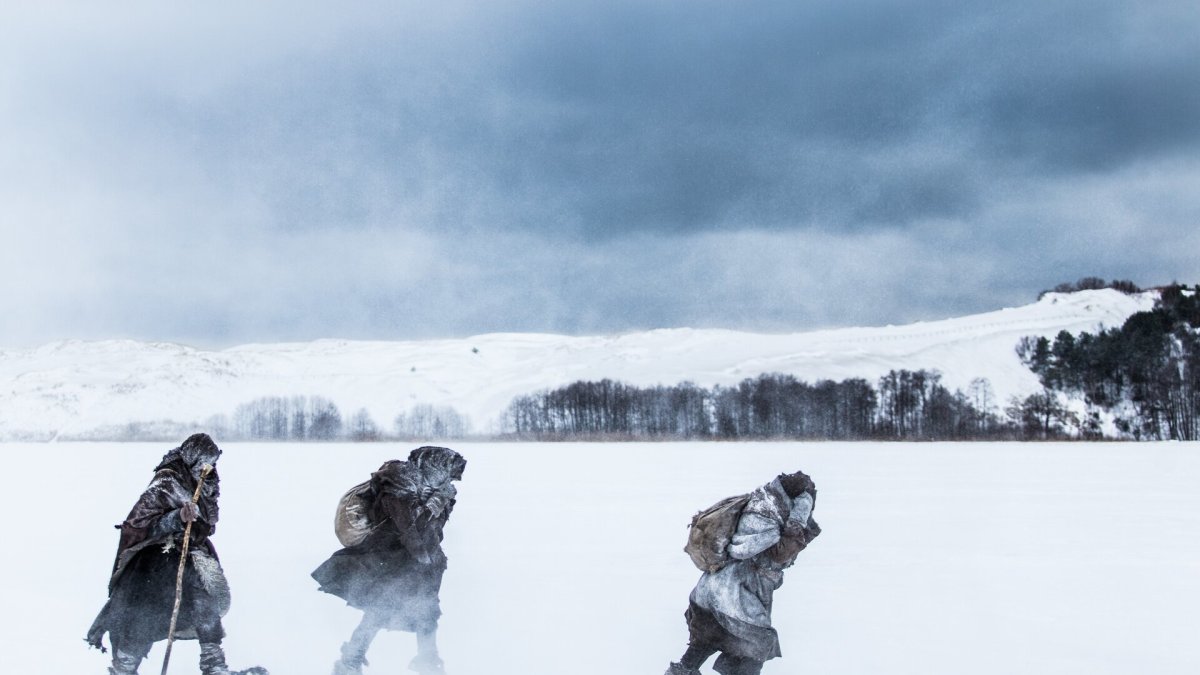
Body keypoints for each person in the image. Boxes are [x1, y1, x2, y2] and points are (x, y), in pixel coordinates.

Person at [86, 433, 265, 675]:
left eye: (211, 463)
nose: (207, 468)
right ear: (192, 457)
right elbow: (138, 524)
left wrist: (197, 519)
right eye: (203, 461)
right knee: (141, 613)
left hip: (190, 558)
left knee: (204, 603)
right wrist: (177, 518)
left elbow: (207, 523)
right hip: (154, 562)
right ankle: (123, 668)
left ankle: (213, 665)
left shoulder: (207, 484)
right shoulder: (167, 482)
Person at [313, 446, 467, 675]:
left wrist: (431, 556)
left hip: (420, 564)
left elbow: (433, 531)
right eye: (447, 472)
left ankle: (427, 663)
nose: (449, 479)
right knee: (381, 609)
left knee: (427, 613)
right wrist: (425, 547)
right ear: (435, 466)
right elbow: (408, 527)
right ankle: (350, 662)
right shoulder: (398, 485)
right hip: (389, 559)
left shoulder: (438, 492)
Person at [666, 470, 821, 675]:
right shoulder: (768, 515)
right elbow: (779, 553)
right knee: (757, 643)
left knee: (710, 636)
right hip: (733, 593)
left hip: (712, 587)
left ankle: (681, 671)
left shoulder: (759, 505)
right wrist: (800, 515)